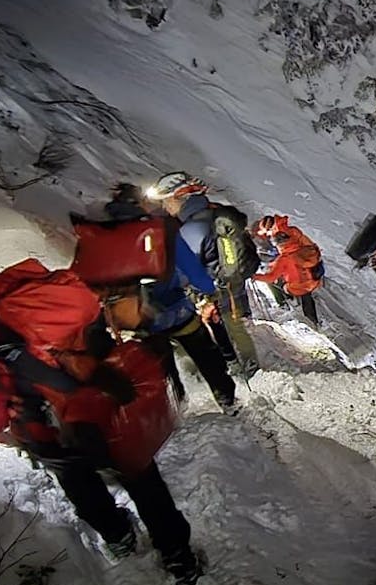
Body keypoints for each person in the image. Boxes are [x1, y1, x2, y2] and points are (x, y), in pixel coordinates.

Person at [0, 242, 202, 585]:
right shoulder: (23, 281)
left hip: (52, 429)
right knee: (142, 477)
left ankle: (119, 537)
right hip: (106, 399)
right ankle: (179, 558)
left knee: (78, 479)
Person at [102, 184, 238, 412]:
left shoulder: (105, 234)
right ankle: (227, 399)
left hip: (138, 315)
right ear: (141, 204)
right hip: (175, 309)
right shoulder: (160, 230)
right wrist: (209, 289)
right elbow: (192, 269)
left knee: (161, 363)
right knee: (206, 354)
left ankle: (175, 405)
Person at [147, 172, 262, 376]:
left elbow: (183, 270)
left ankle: (239, 368)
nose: (165, 207)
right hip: (229, 282)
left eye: (166, 201)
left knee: (216, 324)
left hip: (217, 284)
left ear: (180, 197)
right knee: (230, 324)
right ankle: (246, 364)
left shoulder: (192, 228)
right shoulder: (211, 213)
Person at [252, 214, 325, 326]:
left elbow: (270, 277)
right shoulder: (295, 234)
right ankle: (313, 321)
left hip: (298, 283)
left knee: (275, 282)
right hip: (313, 276)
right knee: (306, 293)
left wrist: (254, 276)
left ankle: (285, 305)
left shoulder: (285, 258)